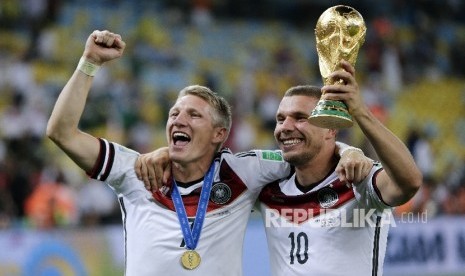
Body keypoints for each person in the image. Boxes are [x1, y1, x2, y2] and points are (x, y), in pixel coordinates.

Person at [46, 30, 371, 276]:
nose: (178, 119)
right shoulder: (136, 171)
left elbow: (304, 150)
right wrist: (88, 63)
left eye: (193, 115)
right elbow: (61, 132)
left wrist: (348, 149)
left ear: (220, 134)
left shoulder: (246, 170)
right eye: (174, 113)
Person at [136, 61, 422, 275]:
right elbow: (205, 163)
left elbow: (409, 182)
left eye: (300, 117)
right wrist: (166, 154)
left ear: (330, 130)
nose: (285, 128)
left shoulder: (357, 179)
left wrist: (358, 115)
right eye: (280, 118)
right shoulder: (266, 186)